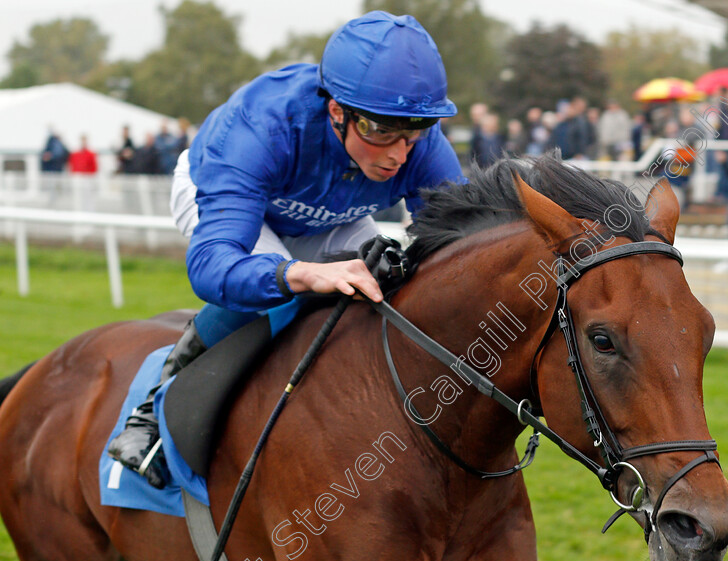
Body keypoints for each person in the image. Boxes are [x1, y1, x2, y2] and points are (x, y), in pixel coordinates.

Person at [108, 11, 464, 488]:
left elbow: (460, 240)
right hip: (227, 203)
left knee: (391, 280)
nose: (399, 154)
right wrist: (297, 274)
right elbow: (214, 267)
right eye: (380, 132)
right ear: (337, 110)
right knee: (277, 294)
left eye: (414, 132)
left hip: (330, 212)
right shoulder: (261, 127)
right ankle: (152, 411)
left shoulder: (418, 142)